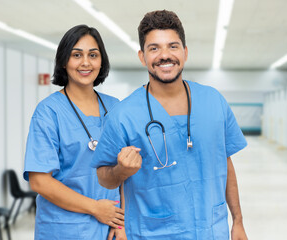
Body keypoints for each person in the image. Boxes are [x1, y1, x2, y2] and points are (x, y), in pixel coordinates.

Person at [91, 10, 248, 240]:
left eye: (173, 46)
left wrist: (238, 222)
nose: (165, 55)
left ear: (184, 52)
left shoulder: (214, 101)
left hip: (212, 232)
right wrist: (120, 171)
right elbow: (103, 175)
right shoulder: (123, 115)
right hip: (152, 234)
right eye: (154, 48)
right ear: (142, 57)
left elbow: (226, 163)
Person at [23, 24, 126, 240]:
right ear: (63, 61)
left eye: (93, 55)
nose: (86, 62)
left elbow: (127, 173)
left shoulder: (115, 108)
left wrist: (121, 223)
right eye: (76, 55)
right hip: (63, 229)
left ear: (102, 61)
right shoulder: (49, 112)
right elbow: (39, 181)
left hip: (110, 229)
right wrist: (96, 208)